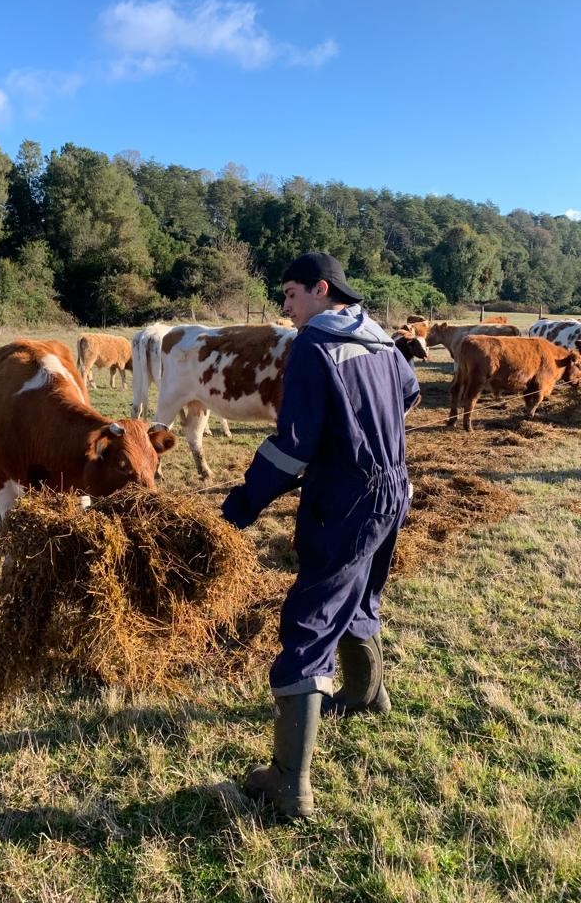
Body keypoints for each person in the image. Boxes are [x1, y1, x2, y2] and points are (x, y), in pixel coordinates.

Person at [221, 252, 420, 819]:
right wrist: (365, 423)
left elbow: (291, 447)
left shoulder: (314, 346)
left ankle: (289, 783)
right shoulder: (381, 338)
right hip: (393, 489)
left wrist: (242, 504)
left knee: (311, 615)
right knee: (362, 593)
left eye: (290, 294)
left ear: (321, 289)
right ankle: (366, 694)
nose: (285, 307)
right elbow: (409, 395)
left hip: (344, 496)